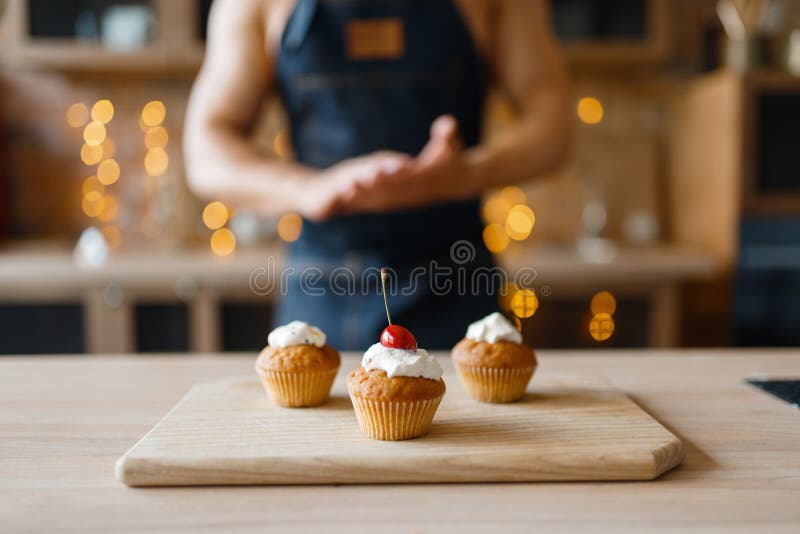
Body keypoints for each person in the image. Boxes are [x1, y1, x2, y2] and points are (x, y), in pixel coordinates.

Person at [184, 0, 570, 350]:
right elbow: (206, 151)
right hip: (320, 287)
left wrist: (466, 174)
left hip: (457, 282)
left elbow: (554, 125)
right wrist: (310, 188)